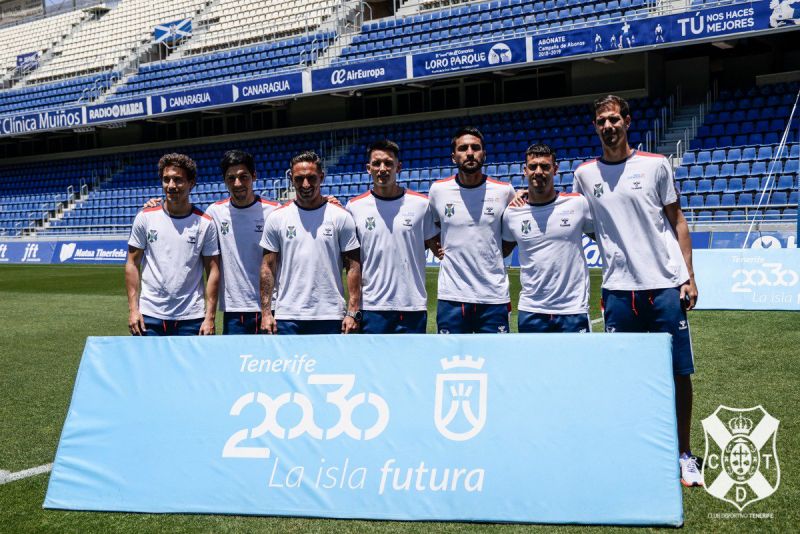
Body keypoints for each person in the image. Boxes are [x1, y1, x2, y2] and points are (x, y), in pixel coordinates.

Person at [573, 94, 701, 487]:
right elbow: (573, 217)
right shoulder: (584, 175)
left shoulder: (655, 165)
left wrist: (689, 276)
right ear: (595, 127)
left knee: (678, 373)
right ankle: (632, 450)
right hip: (618, 290)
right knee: (623, 376)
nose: (608, 126)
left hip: (663, 286)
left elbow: (678, 222)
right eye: (601, 121)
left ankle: (683, 454)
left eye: (614, 119)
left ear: (627, 122)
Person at [259, 151, 362, 335]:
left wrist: (353, 311)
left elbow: (353, 267)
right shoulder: (277, 218)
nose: (305, 184)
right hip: (288, 315)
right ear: (291, 179)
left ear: (321, 177)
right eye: (299, 179)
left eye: (311, 178)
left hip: (330, 314)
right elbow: (267, 267)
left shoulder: (340, 216)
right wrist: (266, 312)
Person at [428, 126, 517, 334]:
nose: (469, 153)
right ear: (453, 157)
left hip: (494, 296)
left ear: (484, 154)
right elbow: (431, 226)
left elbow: (514, 230)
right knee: (451, 355)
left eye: (475, 148)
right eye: (463, 148)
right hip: (452, 296)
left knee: (495, 354)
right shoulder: (438, 190)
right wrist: (436, 247)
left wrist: (498, 252)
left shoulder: (504, 191)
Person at [346, 140, 439, 333]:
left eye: (388, 163)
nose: (382, 169)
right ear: (368, 168)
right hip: (372, 307)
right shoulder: (354, 207)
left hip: (412, 306)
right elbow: (352, 262)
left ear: (399, 167)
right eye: (376, 163)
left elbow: (437, 247)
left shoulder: (421, 205)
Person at [502, 144, 594, 333]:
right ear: (525, 171)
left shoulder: (577, 203)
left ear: (555, 169)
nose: (538, 171)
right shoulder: (512, 213)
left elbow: (605, 238)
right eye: (533, 166)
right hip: (531, 310)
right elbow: (500, 251)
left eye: (545, 166)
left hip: (572, 309)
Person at [126, 153, 220, 336]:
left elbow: (213, 271)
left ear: (191, 183)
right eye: (166, 179)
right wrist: (133, 310)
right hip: (149, 316)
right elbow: (132, 263)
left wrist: (210, 317)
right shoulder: (145, 217)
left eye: (178, 180)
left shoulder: (205, 223)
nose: (170, 185)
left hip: (191, 318)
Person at [204, 150, 279, 334]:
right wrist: (155, 205)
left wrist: (327, 201)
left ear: (254, 176)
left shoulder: (274, 211)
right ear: (224, 180)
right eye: (231, 178)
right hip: (234, 309)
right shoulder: (215, 212)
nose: (237, 183)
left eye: (243, 177)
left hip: (272, 307)